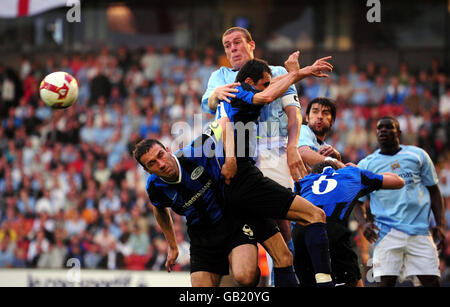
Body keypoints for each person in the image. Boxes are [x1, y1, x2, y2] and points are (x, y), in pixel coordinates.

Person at [202, 26, 333, 283]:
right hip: (233, 155)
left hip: (271, 149)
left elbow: (293, 114)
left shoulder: (277, 73)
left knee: (282, 223)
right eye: (227, 45)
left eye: (237, 42)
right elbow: (209, 103)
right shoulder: (219, 77)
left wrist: (292, 148)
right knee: (243, 227)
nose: (232, 48)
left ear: (251, 44)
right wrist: (216, 94)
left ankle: (279, 278)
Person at [134, 136, 274, 287]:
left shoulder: (195, 152)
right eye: (152, 163)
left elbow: (222, 127)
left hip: (233, 220)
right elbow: (159, 208)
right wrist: (173, 246)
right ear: (147, 170)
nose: (160, 164)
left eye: (160, 155)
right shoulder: (155, 187)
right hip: (202, 235)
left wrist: (232, 161)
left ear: (168, 150)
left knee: (245, 277)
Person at [354, 116, 446, 287]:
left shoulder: (418, 155)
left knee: (432, 282)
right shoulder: (366, 165)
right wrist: (364, 223)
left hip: (419, 231)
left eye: (389, 127)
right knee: (384, 283)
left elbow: (434, 192)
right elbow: (357, 201)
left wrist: (440, 224)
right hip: (386, 233)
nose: (383, 130)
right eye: (380, 128)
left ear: (399, 132)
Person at [292, 160, 404, 287]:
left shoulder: (305, 181)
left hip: (301, 233)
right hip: (331, 231)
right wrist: (357, 169)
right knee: (353, 282)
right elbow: (398, 181)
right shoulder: (351, 173)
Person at [297, 97, 345, 170]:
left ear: (332, 121)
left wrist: (337, 158)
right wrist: (335, 162)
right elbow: (302, 152)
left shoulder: (327, 148)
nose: (320, 116)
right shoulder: (302, 130)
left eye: (325, 113)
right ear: (307, 117)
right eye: (315, 112)